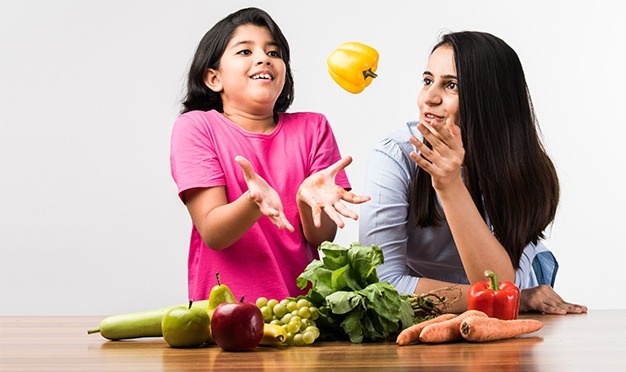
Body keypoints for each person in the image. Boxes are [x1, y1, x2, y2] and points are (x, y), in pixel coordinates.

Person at [359, 31, 587, 315]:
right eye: (427, 81)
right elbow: (383, 287)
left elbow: (498, 283)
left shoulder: (527, 169)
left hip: (502, 312)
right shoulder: (395, 155)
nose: (428, 98)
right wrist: (518, 297)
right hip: (431, 309)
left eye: (451, 85)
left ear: (490, 99)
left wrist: (450, 186)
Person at [170, 7, 369, 302]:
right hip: (225, 314)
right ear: (213, 78)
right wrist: (253, 202)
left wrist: (305, 200)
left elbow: (321, 238)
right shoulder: (196, 127)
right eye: (245, 51)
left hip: (302, 312)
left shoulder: (314, 127)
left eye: (274, 52)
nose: (264, 58)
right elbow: (213, 232)